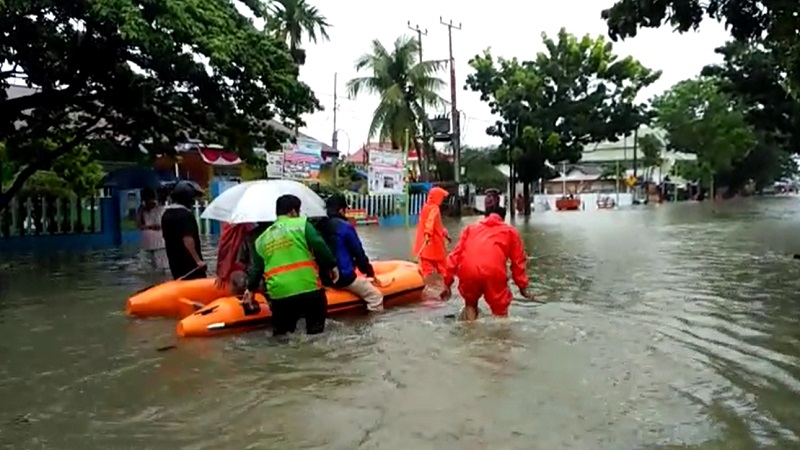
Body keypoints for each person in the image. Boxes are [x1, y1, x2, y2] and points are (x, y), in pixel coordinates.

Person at [242, 194, 339, 336]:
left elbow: (257, 269)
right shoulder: (301, 225)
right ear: (293, 211)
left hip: (279, 295)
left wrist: (250, 289)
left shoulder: (261, 239)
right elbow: (319, 245)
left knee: (283, 335)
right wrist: (331, 265)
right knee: (316, 332)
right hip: (308, 288)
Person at [442, 205, 533, 321]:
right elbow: (518, 262)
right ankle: (500, 336)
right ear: (503, 218)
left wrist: (447, 283)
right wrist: (522, 287)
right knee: (500, 310)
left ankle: (469, 331)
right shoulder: (510, 232)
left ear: (485, 217)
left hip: (469, 271)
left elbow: (454, 256)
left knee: (470, 303)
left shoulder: (470, 229)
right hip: (494, 272)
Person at [317, 194, 384, 312]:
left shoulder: (318, 227)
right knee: (375, 297)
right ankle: (370, 326)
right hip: (343, 279)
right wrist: (369, 273)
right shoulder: (345, 227)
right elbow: (359, 254)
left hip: (324, 278)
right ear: (342, 210)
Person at [161, 180, 207, 280]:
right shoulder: (185, 215)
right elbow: (187, 239)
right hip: (190, 266)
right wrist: (198, 261)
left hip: (175, 264)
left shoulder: (166, 215)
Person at [412, 186, 451, 278]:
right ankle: (447, 288)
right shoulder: (435, 208)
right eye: (441, 197)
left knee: (426, 272)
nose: (442, 200)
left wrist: (445, 234)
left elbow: (437, 225)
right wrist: (428, 233)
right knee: (444, 270)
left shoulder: (425, 207)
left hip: (423, 246)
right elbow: (430, 221)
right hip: (434, 246)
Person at [136, 188, 168, 271]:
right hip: (148, 243)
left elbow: (159, 225)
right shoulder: (142, 210)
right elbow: (139, 225)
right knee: (147, 268)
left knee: (161, 267)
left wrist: (147, 226)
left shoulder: (160, 208)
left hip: (158, 242)